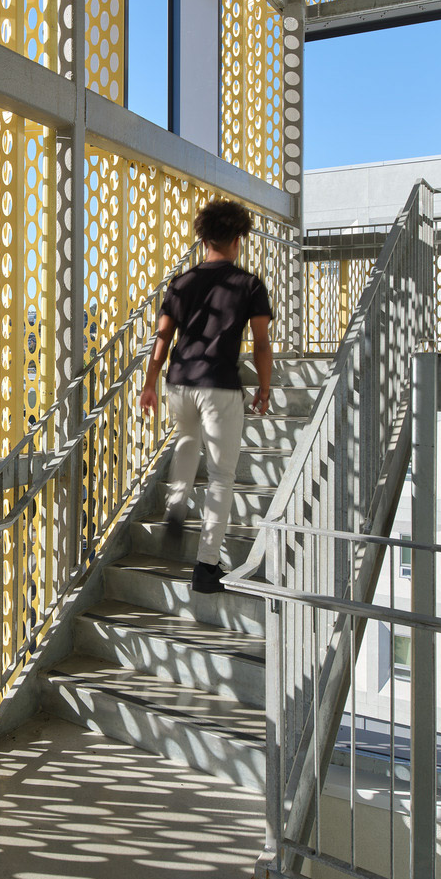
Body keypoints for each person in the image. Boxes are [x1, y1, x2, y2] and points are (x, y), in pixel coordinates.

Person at [138, 198, 274, 594]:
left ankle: (177, 502)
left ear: (204, 239)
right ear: (236, 239)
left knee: (186, 442)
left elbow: (161, 340)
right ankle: (206, 566)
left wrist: (150, 383)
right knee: (221, 476)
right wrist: (264, 388)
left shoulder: (180, 283)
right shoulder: (249, 285)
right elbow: (262, 344)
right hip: (219, 386)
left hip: (179, 383)